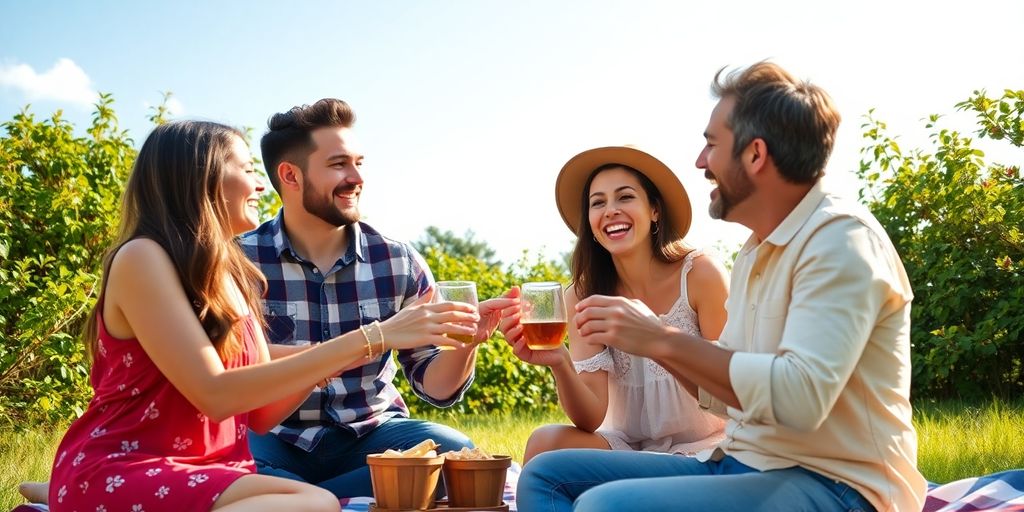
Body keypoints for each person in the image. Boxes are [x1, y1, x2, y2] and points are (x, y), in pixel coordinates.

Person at [516, 61, 928, 512]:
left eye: (712, 145)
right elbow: (723, 395)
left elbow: (801, 400)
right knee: (545, 476)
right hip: (744, 462)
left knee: (605, 506)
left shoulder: (840, 241)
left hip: (838, 484)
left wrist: (659, 338)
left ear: (754, 155)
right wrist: (652, 344)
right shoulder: (757, 252)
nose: (700, 161)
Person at [44, 120, 485, 512]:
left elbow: (258, 414)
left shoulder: (228, 271)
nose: (260, 185)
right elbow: (216, 393)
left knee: (435, 468)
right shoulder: (143, 257)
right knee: (314, 502)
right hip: (136, 460)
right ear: (201, 176)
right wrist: (375, 337)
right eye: (248, 170)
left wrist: (440, 340)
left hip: (220, 461)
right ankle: (84, 493)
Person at [240, 98, 514, 498]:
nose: (356, 178)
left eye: (359, 163)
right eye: (339, 165)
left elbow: (436, 388)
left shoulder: (397, 261)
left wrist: (465, 345)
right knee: (232, 466)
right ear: (290, 175)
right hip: (273, 438)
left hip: (371, 436)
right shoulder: (239, 261)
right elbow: (234, 374)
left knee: (455, 454)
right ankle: (356, 495)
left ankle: (305, 497)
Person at [499, 146, 729, 463]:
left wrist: (661, 341)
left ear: (655, 210)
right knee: (545, 442)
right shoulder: (581, 295)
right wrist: (560, 362)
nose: (610, 211)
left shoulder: (700, 274)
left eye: (625, 197)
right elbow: (591, 418)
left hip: (706, 446)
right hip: (629, 450)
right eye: (598, 203)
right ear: (590, 223)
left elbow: (730, 387)